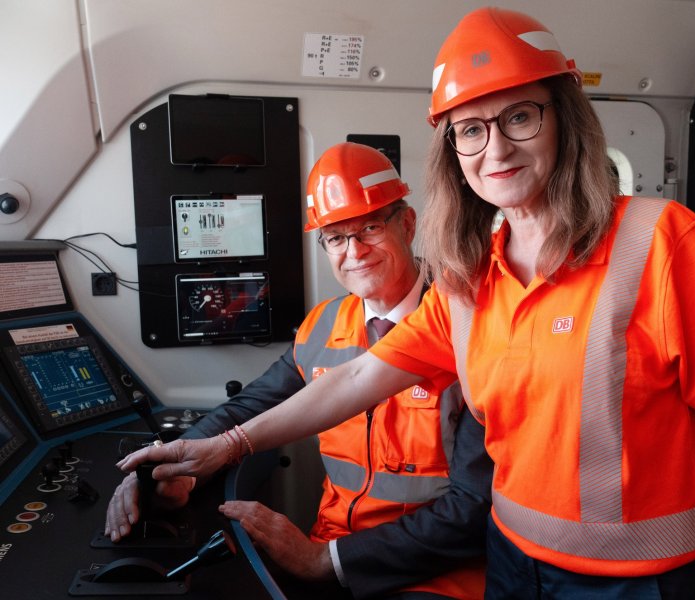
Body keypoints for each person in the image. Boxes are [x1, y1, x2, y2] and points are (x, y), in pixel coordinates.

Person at [118, 8, 695, 600]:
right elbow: (356, 377)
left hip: (640, 582)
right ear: (452, 149)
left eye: (519, 116)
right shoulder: (470, 280)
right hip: (512, 561)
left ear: (564, 118)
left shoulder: (658, 238)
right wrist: (222, 446)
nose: (494, 148)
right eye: (469, 129)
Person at [108, 142, 491, 599]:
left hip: (434, 569)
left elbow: (471, 508)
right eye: (335, 237)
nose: (355, 251)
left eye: (370, 227)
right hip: (330, 543)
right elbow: (250, 406)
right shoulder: (322, 326)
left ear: (407, 225)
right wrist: (184, 469)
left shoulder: (466, 322)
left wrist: (328, 563)